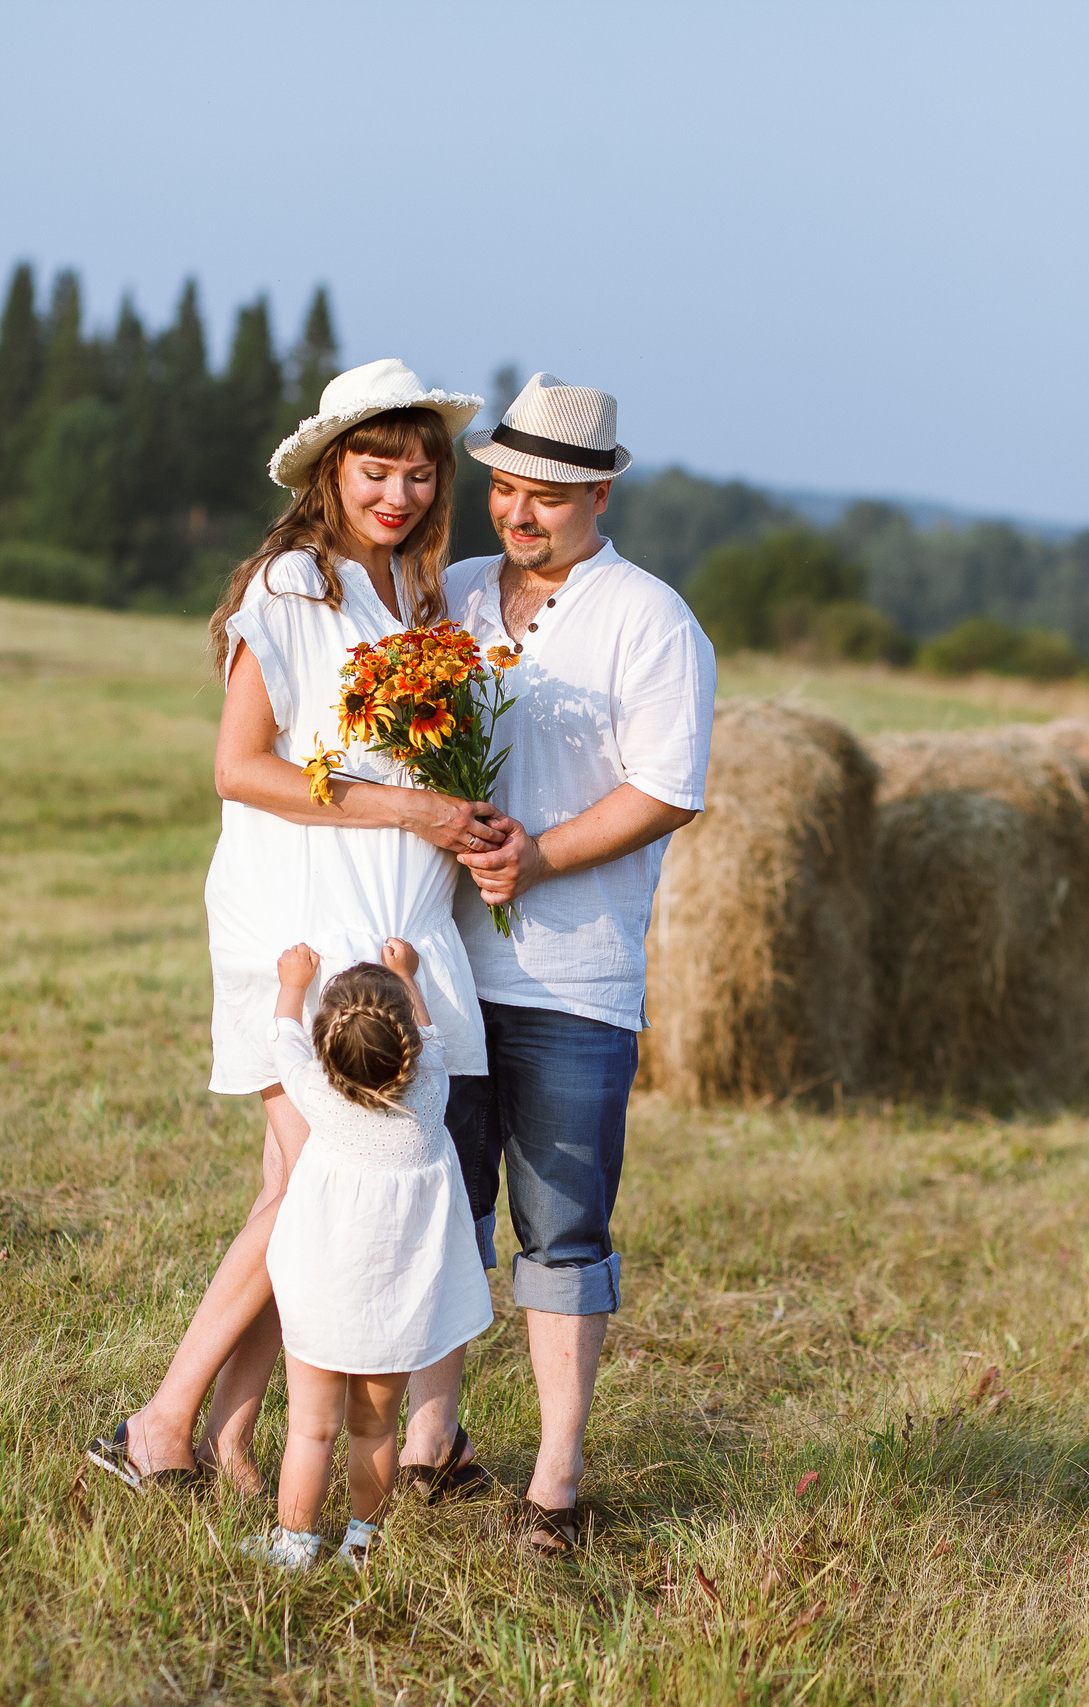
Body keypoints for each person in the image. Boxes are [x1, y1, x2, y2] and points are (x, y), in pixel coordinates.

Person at [87, 359, 505, 1494]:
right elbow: (241, 768)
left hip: (389, 917)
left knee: (310, 1194)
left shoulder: (413, 598)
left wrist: (457, 820)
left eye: (421, 472)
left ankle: (224, 1438)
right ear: (330, 469)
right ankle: (157, 1426)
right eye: (377, 468)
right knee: (313, 1186)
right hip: (302, 921)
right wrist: (411, 809)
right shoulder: (291, 589)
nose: (400, 493)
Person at [397, 374, 717, 1556]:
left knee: (562, 1230)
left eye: (546, 496)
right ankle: (431, 1446)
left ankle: (555, 1486)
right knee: (444, 1210)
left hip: (573, 979)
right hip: (444, 957)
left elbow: (667, 790)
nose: (518, 513)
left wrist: (537, 858)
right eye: (504, 489)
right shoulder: (452, 595)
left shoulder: (651, 619)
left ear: (600, 497)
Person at [238, 938, 493, 1570]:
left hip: (322, 1304)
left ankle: (295, 1544)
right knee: (374, 1431)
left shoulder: (319, 1099)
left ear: (327, 1052)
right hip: (396, 1312)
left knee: (310, 1430)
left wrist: (293, 983)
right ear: (405, 1050)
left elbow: (283, 1041)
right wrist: (407, 975)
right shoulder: (430, 1097)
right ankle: (362, 1543)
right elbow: (433, 1039)